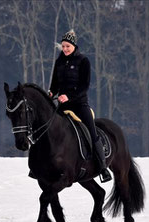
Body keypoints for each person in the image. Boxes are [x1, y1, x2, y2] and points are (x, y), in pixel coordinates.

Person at [49, 30, 112, 183]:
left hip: (79, 104)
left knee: (91, 132)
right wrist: (52, 92)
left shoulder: (83, 61)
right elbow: (55, 82)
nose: (65, 49)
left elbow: (84, 86)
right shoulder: (59, 62)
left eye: (67, 46)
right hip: (62, 105)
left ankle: (103, 168)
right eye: (63, 46)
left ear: (74, 46)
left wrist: (69, 96)